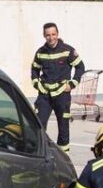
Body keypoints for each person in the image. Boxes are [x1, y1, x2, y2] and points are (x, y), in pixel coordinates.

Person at [31, 22, 85, 153]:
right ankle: (41, 152)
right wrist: (36, 84)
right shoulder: (40, 52)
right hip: (44, 95)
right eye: (48, 35)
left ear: (57, 34)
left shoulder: (68, 50)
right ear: (44, 35)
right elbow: (34, 70)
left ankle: (64, 156)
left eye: (53, 34)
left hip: (62, 94)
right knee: (39, 124)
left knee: (63, 126)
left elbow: (80, 67)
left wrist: (72, 84)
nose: (51, 38)